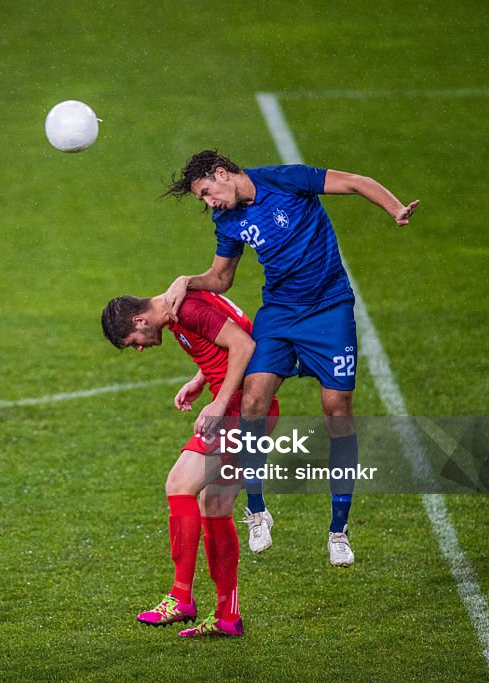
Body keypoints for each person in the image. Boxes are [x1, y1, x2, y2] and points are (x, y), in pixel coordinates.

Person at [162, 150, 419, 567]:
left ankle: (338, 530)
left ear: (222, 174)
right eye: (203, 199)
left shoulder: (286, 180)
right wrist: (186, 281)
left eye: (208, 192)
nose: (210, 203)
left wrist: (394, 209)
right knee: (252, 400)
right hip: (279, 312)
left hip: (330, 308)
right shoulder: (226, 219)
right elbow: (222, 278)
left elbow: (354, 180)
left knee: (337, 411)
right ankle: (258, 510)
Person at [101, 290, 279, 637]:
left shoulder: (188, 308)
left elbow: (244, 344)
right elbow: (229, 334)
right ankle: (228, 616)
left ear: (140, 320)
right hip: (247, 407)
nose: (140, 347)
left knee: (179, 484)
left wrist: (218, 402)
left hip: (239, 409)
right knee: (214, 505)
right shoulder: (175, 313)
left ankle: (181, 597)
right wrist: (201, 380)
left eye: (134, 340)